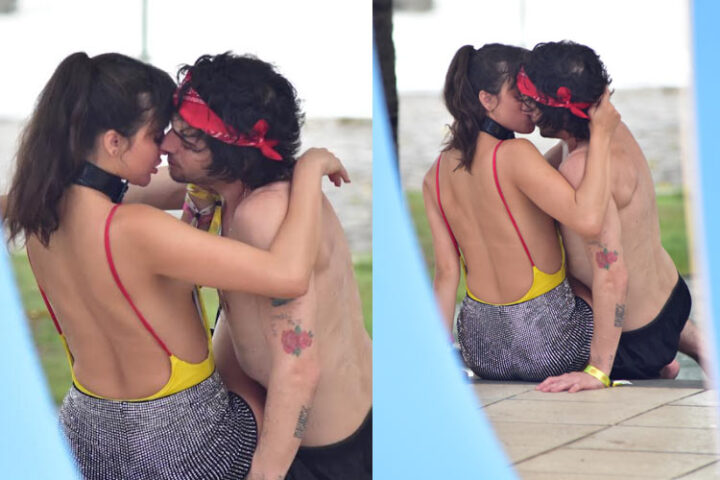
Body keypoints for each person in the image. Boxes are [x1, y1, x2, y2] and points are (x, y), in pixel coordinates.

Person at [2, 52, 348, 480]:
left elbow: (183, 188)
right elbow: (289, 276)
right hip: (181, 445)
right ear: (114, 142)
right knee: (270, 389)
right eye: (155, 135)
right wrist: (308, 169)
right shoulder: (137, 230)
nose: (164, 147)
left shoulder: (38, 215)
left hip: (83, 438)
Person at [127, 52, 372, 480]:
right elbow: (112, 196)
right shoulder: (226, 190)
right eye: (173, 130)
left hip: (327, 452)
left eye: (188, 139)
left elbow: (299, 369)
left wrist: (263, 475)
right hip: (334, 426)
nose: (167, 145)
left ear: (234, 153)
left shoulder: (266, 215)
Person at [423, 43, 620, 381]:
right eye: (520, 95)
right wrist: (600, 135)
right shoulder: (516, 154)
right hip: (551, 347)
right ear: (487, 100)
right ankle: (641, 358)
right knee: (605, 279)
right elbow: (588, 219)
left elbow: (446, 273)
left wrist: (439, 364)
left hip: (482, 351)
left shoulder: (434, 176)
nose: (531, 104)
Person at [520, 41, 704, 392]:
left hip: (634, 337)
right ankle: (682, 351)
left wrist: (597, 371)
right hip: (671, 300)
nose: (526, 107)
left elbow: (612, 274)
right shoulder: (608, 131)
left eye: (531, 100)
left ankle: (652, 362)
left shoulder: (583, 169)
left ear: (557, 110)